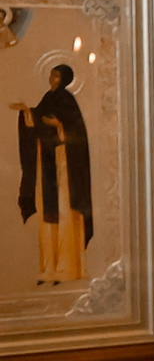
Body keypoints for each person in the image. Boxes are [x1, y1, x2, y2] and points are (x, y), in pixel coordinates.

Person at [13, 64, 91, 285]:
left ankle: (66, 269)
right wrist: (26, 111)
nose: (51, 78)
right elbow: (37, 120)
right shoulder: (48, 97)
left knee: (65, 213)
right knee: (48, 216)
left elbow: (75, 133)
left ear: (63, 78)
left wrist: (59, 125)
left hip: (64, 162)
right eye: (51, 74)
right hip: (46, 161)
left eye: (55, 75)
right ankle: (48, 268)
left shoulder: (68, 100)